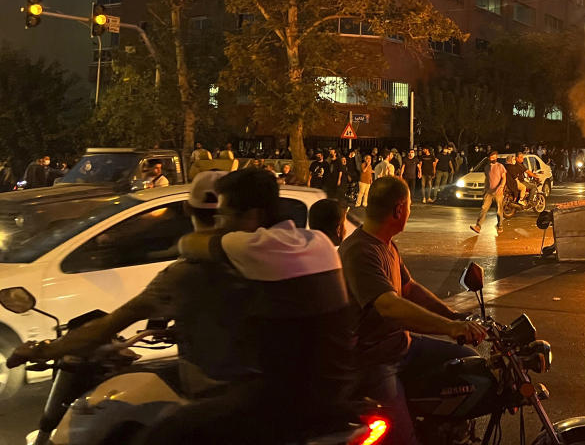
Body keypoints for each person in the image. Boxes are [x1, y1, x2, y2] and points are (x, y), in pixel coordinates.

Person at [5, 171, 263, 414]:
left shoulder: (187, 273)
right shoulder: (264, 262)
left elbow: (106, 326)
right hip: (256, 389)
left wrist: (44, 350)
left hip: (220, 398)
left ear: (186, 209)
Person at [170, 168, 355, 443]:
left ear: (253, 216)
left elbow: (189, 243)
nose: (221, 223)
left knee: (169, 430)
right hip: (339, 388)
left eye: (225, 215)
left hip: (286, 401)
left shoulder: (250, 245)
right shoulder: (319, 241)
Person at [339, 176, 485, 445]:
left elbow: (409, 288)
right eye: (409, 206)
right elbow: (389, 306)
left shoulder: (385, 243)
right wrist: (450, 328)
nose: (409, 211)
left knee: (469, 363)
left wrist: (453, 317)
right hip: (376, 359)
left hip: (402, 345)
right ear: (398, 209)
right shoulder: (360, 251)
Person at [470, 151, 506, 235]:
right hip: (489, 192)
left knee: (499, 210)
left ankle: (500, 226)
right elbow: (487, 179)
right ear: (489, 158)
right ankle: (478, 227)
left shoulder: (500, 166)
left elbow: (504, 178)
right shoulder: (486, 167)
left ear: (496, 157)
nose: (493, 158)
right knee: (483, 208)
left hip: (498, 192)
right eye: (491, 157)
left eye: (494, 157)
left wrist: (501, 186)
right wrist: (484, 189)